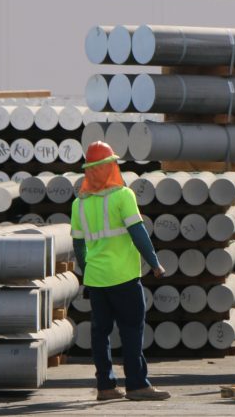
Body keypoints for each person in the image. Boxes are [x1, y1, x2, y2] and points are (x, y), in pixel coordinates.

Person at [71, 141, 171, 402]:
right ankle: (137, 385)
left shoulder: (78, 204)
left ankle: (105, 386)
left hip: (96, 279)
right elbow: (138, 233)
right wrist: (155, 263)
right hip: (124, 277)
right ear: (109, 167)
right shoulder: (123, 196)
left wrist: (87, 274)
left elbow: (78, 246)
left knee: (100, 333)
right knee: (131, 330)